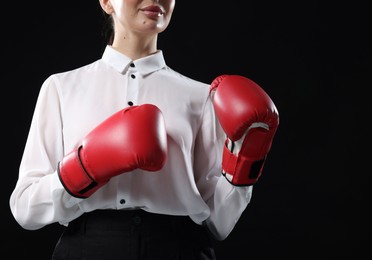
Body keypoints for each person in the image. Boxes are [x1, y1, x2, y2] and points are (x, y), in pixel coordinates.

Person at [9, 0, 279, 259]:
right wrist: (82, 169)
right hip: (89, 247)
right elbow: (25, 208)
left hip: (179, 248)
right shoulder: (61, 88)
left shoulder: (202, 96)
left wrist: (246, 161)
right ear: (106, 2)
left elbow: (218, 223)